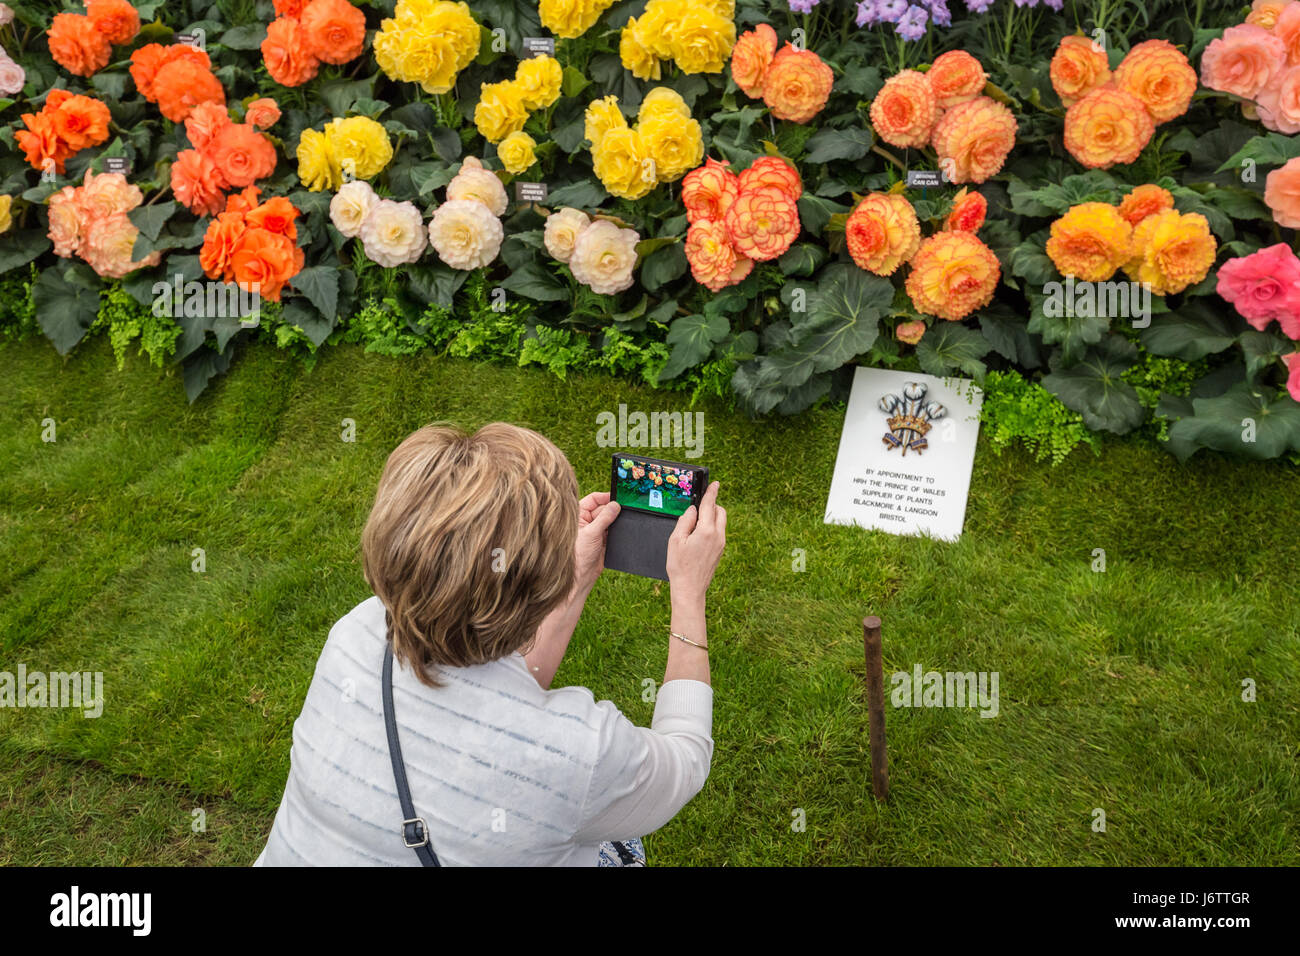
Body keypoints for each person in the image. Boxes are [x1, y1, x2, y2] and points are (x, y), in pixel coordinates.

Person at [255, 422, 726, 866]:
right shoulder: (578, 754)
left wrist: (577, 578)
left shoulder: (355, 633)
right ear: (541, 579)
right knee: (619, 840)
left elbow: (497, 684)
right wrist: (689, 593)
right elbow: (684, 757)